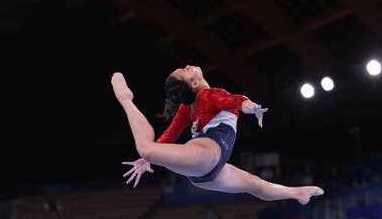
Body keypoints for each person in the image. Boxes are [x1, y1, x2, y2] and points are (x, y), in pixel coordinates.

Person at [111, 70, 323, 204]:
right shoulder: (207, 95)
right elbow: (232, 100)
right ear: (193, 83)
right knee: (147, 149)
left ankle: (297, 193)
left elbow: (233, 101)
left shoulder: (196, 103)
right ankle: (126, 99)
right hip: (205, 157)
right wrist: (250, 107)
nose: (188, 66)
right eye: (185, 71)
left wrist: (250, 107)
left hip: (205, 173)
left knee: (256, 185)